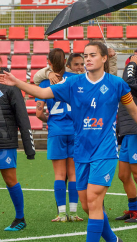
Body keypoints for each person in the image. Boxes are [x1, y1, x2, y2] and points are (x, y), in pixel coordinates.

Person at [0, 41, 137, 242]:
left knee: (95, 199)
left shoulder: (117, 84)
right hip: (81, 153)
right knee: (88, 206)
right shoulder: (73, 83)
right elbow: (41, 91)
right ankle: (113, 241)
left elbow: (135, 111)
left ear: (104, 58)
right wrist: (17, 82)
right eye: (85, 55)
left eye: (92, 55)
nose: (87, 59)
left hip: (105, 152)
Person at [0, 41, 35, 237]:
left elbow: (22, 116)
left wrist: (29, 147)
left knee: (10, 180)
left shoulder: (9, 86)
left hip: (5, 142)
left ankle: (20, 218)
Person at [35, 48, 82, 222]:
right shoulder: (75, 79)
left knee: (59, 175)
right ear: (65, 62)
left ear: (49, 62)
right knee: (74, 174)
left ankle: (62, 213)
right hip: (75, 130)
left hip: (56, 130)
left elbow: (39, 114)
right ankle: (74, 212)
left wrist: (51, 121)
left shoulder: (44, 84)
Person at [116, 53, 137, 223]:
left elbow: (129, 82)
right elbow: (124, 82)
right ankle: (132, 210)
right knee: (123, 175)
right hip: (127, 133)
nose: (133, 63)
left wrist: (131, 65)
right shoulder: (136, 81)